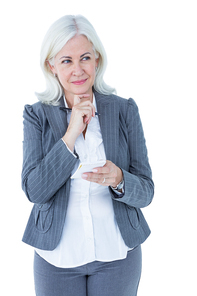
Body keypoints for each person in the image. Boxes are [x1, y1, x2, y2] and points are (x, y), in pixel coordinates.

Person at [21, 14, 154, 296]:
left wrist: (119, 178)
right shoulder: (36, 115)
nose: (78, 70)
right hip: (57, 257)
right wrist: (70, 135)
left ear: (97, 60)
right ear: (52, 66)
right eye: (66, 60)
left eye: (85, 58)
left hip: (117, 254)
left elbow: (146, 192)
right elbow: (35, 191)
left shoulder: (124, 109)